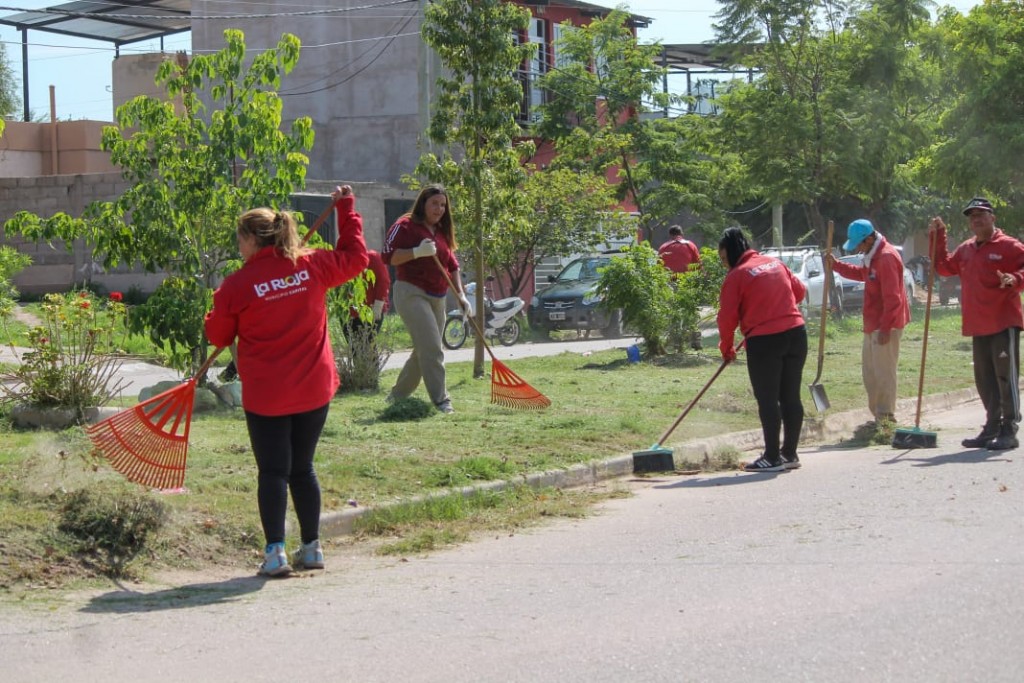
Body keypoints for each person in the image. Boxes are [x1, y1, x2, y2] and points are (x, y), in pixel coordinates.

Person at [204, 185, 368, 576]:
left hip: (268, 396)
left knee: (274, 471)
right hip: (313, 389)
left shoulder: (237, 286)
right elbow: (356, 258)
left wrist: (218, 308)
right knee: (302, 467)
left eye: (238, 240)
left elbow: (218, 336)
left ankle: (275, 552)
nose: (238, 247)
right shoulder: (311, 265)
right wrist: (347, 210)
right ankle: (311, 548)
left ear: (248, 239)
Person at [930, 197, 1024, 451]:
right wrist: (939, 236)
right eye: (972, 216)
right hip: (977, 325)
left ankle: (1009, 429)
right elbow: (944, 267)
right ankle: (992, 426)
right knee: (984, 381)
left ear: (993, 217)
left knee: (1005, 378)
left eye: (981, 214)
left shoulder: (1010, 246)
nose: (976, 220)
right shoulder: (967, 249)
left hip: (1003, 323)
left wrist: (1014, 278)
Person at [717, 227, 808, 472]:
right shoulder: (774, 263)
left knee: (768, 399)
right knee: (790, 396)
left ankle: (771, 457)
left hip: (765, 342)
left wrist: (726, 348)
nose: (725, 265)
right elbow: (800, 291)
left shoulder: (737, 276)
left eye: (725, 259)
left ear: (733, 254)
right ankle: (789, 453)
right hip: (796, 334)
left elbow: (726, 319)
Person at [382, 184, 471, 414]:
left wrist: (461, 294)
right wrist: (416, 252)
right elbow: (388, 256)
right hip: (411, 292)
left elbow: (452, 265)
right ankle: (442, 401)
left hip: (438, 297)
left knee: (424, 350)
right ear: (423, 203)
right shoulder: (405, 225)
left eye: (443, 205)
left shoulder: (441, 231)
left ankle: (397, 396)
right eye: (434, 203)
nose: (439, 208)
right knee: (432, 347)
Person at [827, 219, 910, 425]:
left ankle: (886, 417)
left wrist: (885, 328)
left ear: (870, 238)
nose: (858, 248)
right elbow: (861, 275)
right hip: (873, 322)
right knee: (870, 373)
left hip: (886, 324)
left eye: (860, 244)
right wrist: (836, 266)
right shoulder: (871, 256)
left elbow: (893, 299)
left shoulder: (887, 258)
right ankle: (878, 417)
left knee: (883, 372)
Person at [343, 248, 391, 342]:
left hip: (370, 310)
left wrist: (378, 305)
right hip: (349, 313)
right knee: (354, 348)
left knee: (368, 346)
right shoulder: (342, 260)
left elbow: (383, 281)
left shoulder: (372, 257)